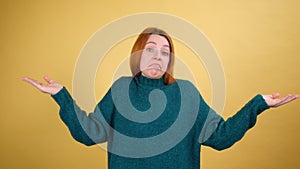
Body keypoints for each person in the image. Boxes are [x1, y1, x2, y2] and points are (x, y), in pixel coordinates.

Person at [22, 27, 299, 169]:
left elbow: (221, 137)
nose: (158, 56)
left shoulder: (187, 93)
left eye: (165, 51)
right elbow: (90, 133)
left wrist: (259, 104)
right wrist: (61, 96)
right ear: (137, 54)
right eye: (150, 49)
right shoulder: (120, 90)